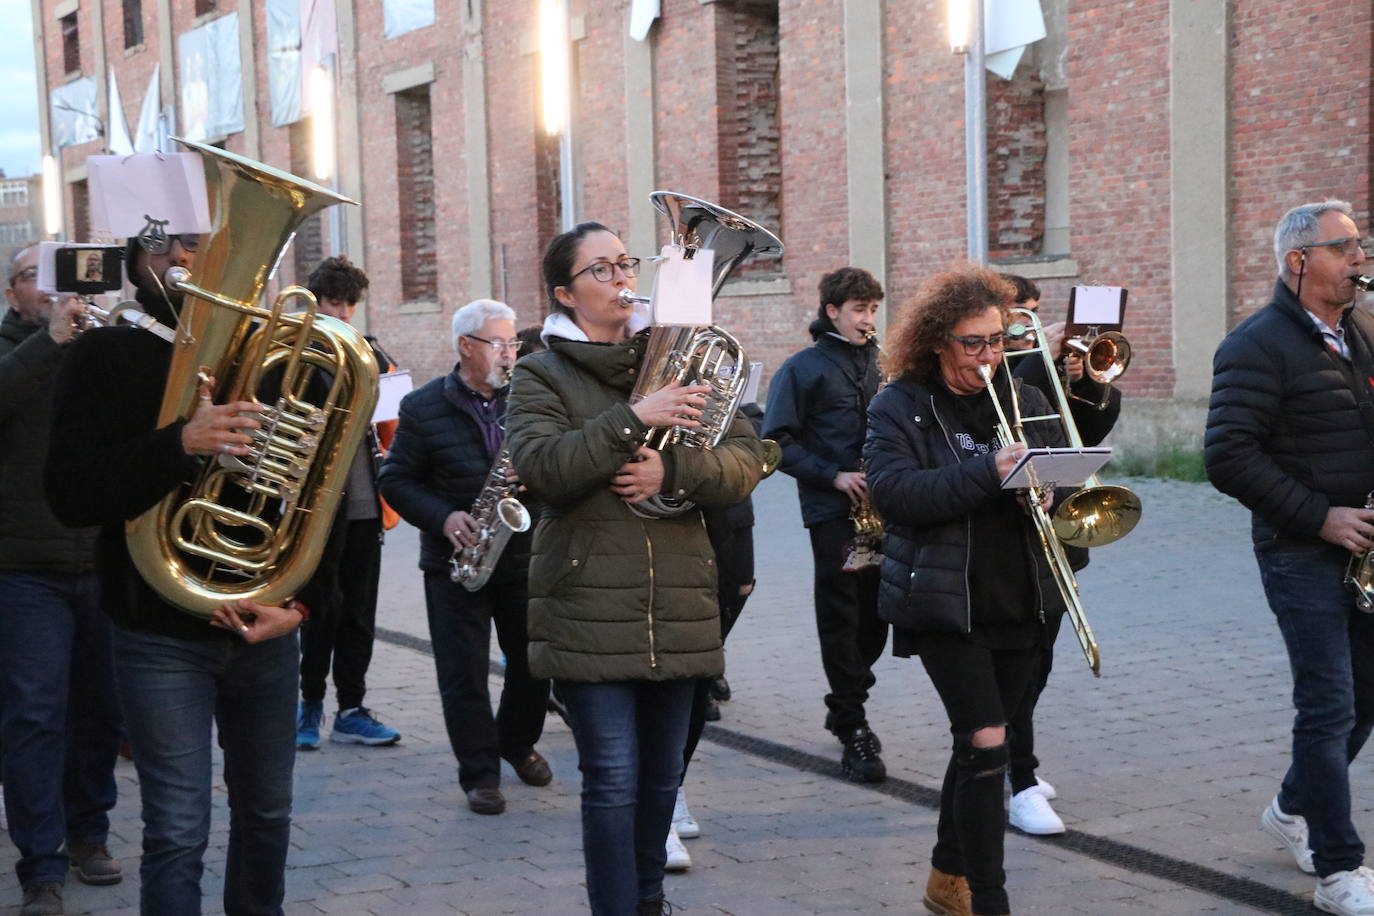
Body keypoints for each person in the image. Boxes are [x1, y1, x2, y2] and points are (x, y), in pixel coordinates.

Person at [45, 230, 307, 915]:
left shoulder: (278, 352)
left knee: (270, 818)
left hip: (268, 624)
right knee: (177, 831)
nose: (189, 259)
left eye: (208, 242)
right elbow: (69, 493)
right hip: (158, 630)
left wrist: (299, 606)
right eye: (172, 244)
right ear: (139, 260)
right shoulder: (104, 354)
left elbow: (322, 493)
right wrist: (179, 444)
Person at [505, 221, 762, 915]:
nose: (623, 278)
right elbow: (544, 469)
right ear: (565, 293)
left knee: (659, 783)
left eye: (626, 263)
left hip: (678, 603)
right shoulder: (539, 373)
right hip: (588, 604)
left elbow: (746, 461)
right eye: (602, 270)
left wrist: (671, 467)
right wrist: (632, 418)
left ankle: (649, 902)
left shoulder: (685, 358)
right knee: (613, 779)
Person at [865, 265, 1070, 916]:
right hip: (945, 602)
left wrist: (1050, 488)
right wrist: (990, 471)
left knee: (987, 744)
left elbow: (1063, 474)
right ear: (936, 341)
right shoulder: (901, 403)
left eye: (998, 341)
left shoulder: (1025, 396)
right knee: (985, 741)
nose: (988, 356)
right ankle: (988, 899)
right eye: (974, 342)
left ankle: (946, 876)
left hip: (1021, 595)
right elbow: (897, 495)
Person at [1206, 199, 1374, 916]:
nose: (1360, 259)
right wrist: (1320, 517)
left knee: (1366, 699)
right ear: (1298, 260)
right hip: (1299, 552)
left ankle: (1289, 808)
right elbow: (1227, 456)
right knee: (1329, 704)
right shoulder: (1255, 344)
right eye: (1345, 247)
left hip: (1363, 547)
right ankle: (1338, 868)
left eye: (1360, 245)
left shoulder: (1361, 330)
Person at [378, 298, 553, 816]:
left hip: (522, 554)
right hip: (456, 561)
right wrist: (444, 518)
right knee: (464, 673)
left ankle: (516, 742)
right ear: (465, 346)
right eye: (499, 344)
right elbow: (396, 479)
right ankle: (480, 774)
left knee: (533, 664)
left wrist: (538, 474)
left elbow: (561, 465)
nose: (510, 354)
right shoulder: (423, 406)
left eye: (513, 343)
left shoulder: (528, 400)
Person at [0, 245, 124, 916]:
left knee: (101, 713)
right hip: (23, 567)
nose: (52, 292)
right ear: (13, 292)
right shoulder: (12, 347)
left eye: (63, 281)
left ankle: (89, 833)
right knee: (34, 720)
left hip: (99, 558)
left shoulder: (99, 346)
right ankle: (40, 865)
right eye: (35, 279)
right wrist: (50, 341)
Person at [998, 274, 1124, 836]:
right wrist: (1032, 361)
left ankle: (1011, 759)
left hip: (1057, 525)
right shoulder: (988, 368)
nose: (1029, 322)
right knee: (1018, 660)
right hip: (1004, 537)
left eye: (1034, 313)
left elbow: (1087, 429)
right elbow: (996, 405)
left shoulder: (1039, 369)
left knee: (1041, 658)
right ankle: (1018, 775)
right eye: (1017, 315)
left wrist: (1088, 379)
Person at [761, 266, 889, 782]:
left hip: (883, 506)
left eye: (874, 309)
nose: (868, 319)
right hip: (833, 511)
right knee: (841, 614)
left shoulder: (881, 363)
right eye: (859, 309)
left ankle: (845, 701)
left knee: (878, 612)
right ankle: (853, 723)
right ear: (832, 311)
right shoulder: (802, 368)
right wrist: (832, 476)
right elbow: (776, 443)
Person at [294, 255, 402, 750]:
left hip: (364, 504)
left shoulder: (371, 353)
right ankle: (309, 704)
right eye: (333, 301)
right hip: (316, 508)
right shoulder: (296, 354)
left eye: (349, 303)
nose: (341, 311)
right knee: (320, 608)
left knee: (360, 612)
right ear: (317, 302)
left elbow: (395, 422)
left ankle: (352, 707)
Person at [668, 400, 763, 871]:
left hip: (724, 540)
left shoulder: (713, 381)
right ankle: (659, 804)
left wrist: (740, 573)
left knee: (699, 678)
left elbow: (751, 454)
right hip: (660, 545)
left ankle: (672, 785)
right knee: (665, 683)